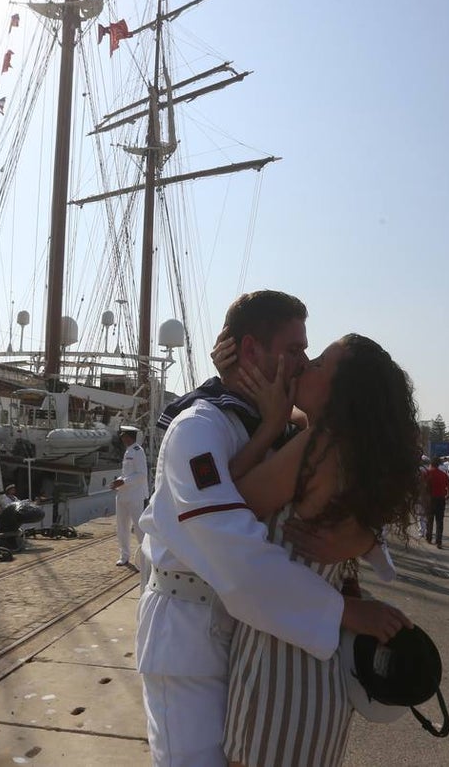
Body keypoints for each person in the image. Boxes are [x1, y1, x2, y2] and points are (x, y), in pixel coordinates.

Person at [136, 291, 411, 766]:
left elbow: (352, 449)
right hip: (190, 633)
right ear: (247, 352)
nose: (303, 364)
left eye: (310, 355)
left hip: (250, 631)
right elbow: (240, 561)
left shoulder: (281, 426)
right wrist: (343, 609)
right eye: (294, 351)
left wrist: (364, 538)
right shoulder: (200, 428)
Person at [223, 333, 422, 766]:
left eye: (317, 364)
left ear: (339, 393)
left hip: (279, 660)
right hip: (317, 660)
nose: (304, 366)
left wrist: (270, 425)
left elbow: (231, 504)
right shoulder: (350, 447)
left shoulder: (320, 446)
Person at [112, 426, 149, 566]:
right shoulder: (128, 451)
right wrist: (118, 481)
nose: (122, 438)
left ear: (129, 436)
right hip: (123, 493)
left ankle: (145, 556)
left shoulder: (138, 451)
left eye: (123, 436)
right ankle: (124, 555)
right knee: (122, 526)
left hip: (134, 495)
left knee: (138, 527)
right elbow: (128, 473)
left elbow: (141, 474)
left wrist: (124, 481)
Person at [422, 453, 449, 548]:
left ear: (431, 463)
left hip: (430, 499)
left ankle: (429, 537)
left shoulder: (427, 473)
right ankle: (439, 541)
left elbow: (421, 486)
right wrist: (448, 495)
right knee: (440, 521)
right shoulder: (443, 474)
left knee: (429, 519)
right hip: (440, 499)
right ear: (439, 464)